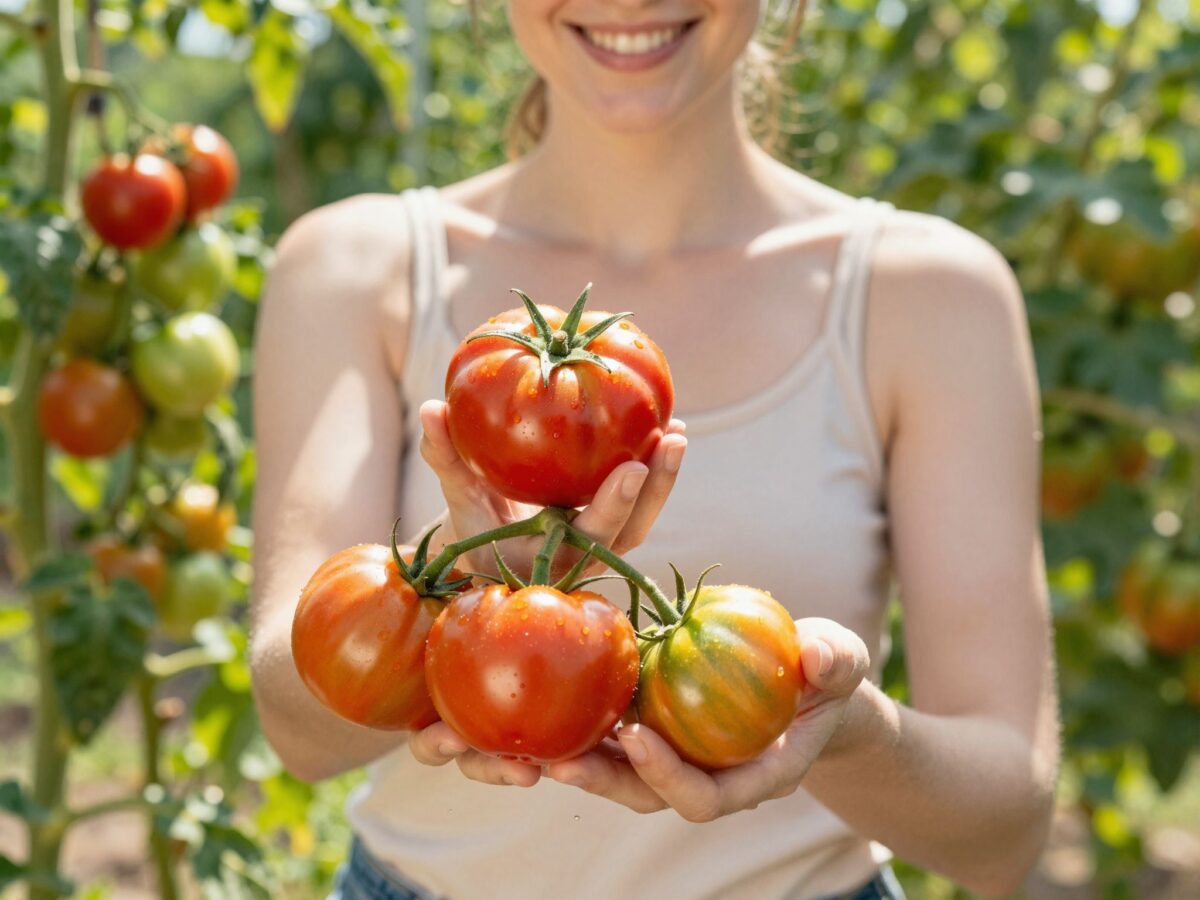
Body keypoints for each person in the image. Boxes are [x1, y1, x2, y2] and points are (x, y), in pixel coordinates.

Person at [249, 1, 1061, 898]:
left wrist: (845, 727)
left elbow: (1005, 834)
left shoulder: (934, 296)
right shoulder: (354, 269)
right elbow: (297, 732)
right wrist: (462, 579)